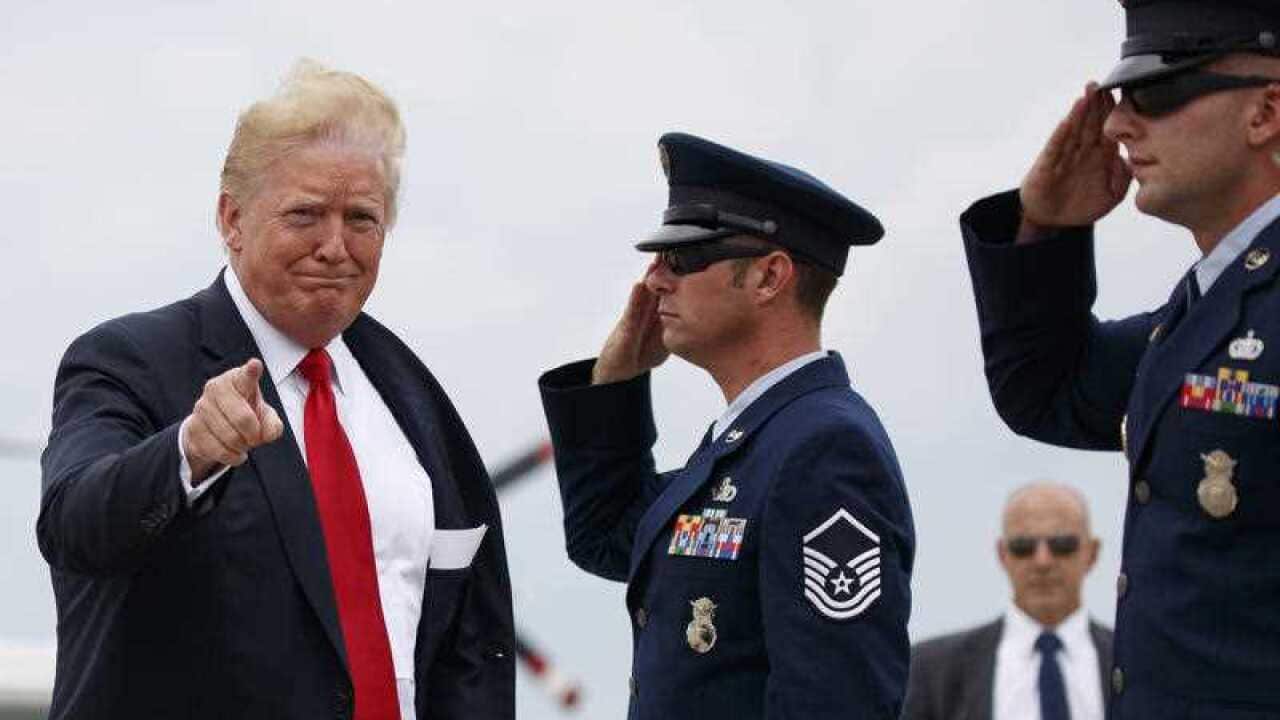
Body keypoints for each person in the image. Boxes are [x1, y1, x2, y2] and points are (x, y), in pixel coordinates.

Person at [38, 61, 514, 720]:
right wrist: (187, 453)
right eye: (305, 215)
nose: (334, 246)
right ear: (231, 218)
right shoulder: (127, 362)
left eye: (361, 219)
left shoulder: (412, 394)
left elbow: (465, 638)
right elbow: (74, 526)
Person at [959, 0, 1280, 715]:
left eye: (1160, 95)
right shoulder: (1205, 308)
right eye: (1117, 100)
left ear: (1265, 112)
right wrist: (1043, 227)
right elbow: (1050, 392)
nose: (1116, 126)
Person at [538, 132, 915, 719]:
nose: (654, 279)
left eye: (683, 258)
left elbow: (836, 703)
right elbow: (606, 536)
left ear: (769, 277)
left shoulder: (825, 448)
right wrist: (614, 388)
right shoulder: (753, 440)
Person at [903, 483, 1113, 720]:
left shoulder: (1138, 664)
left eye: (1062, 545)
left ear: (1092, 552)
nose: (1042, 561)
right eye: (1023, 547)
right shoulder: (931, 671)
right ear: (1003, 554)